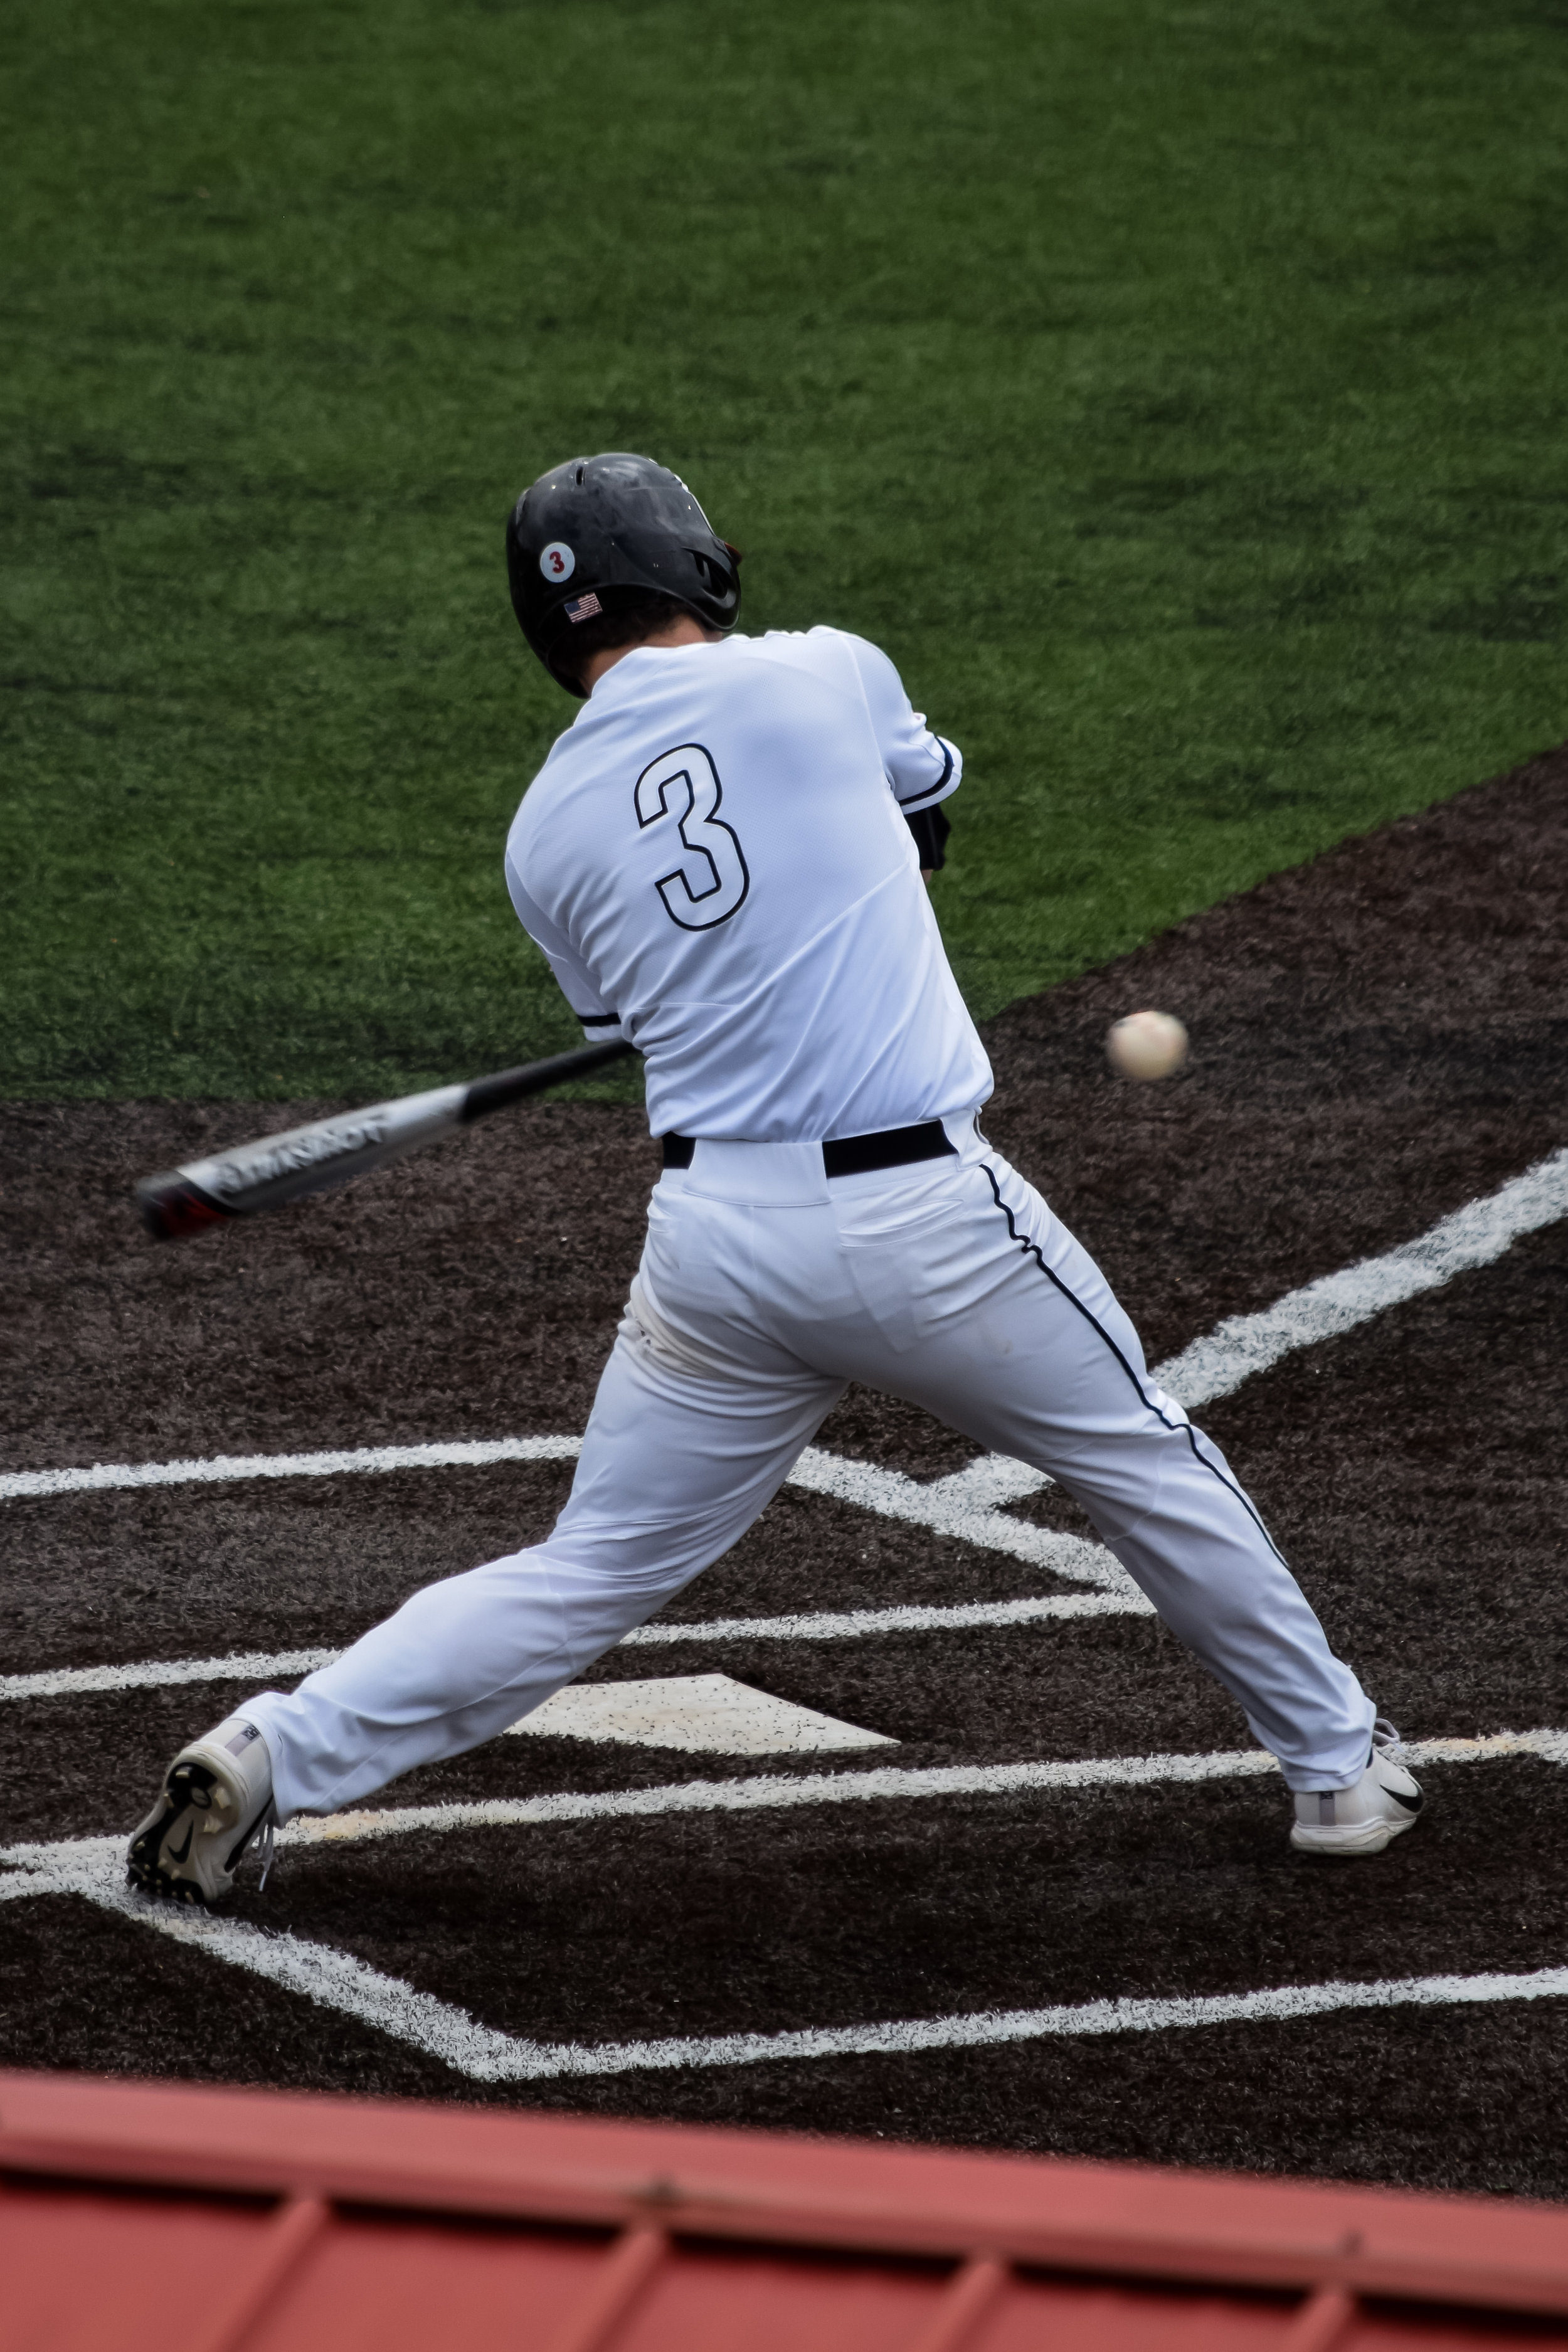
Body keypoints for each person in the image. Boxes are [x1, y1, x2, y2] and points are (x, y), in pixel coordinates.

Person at [129, 452, 1422, 1907]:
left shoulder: (538, 837)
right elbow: (924, 812)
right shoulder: (822, 673)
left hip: (717, 1255)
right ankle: (1332, 1768)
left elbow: (626, 1026)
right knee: (1142, 1460)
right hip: (932, 1225)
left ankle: (271, 1750)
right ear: (696, 568)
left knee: (591, 1566)